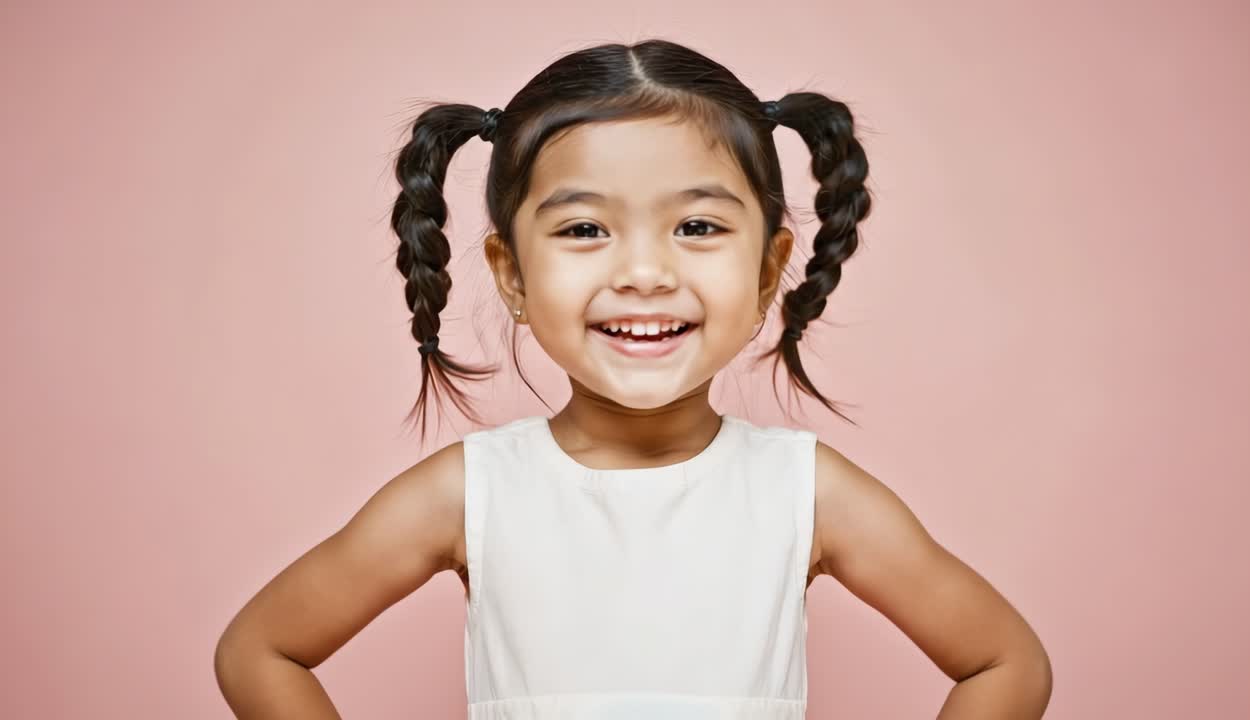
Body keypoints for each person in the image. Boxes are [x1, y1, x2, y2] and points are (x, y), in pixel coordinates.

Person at [214, 38, 1052, 719]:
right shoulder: (469, 493)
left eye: (696, 225)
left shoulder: (806, 491)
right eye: (584, 227)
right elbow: (260, 650)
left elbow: (1005, 663)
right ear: (510, 274)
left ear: (769, 272)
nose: (645, 271)